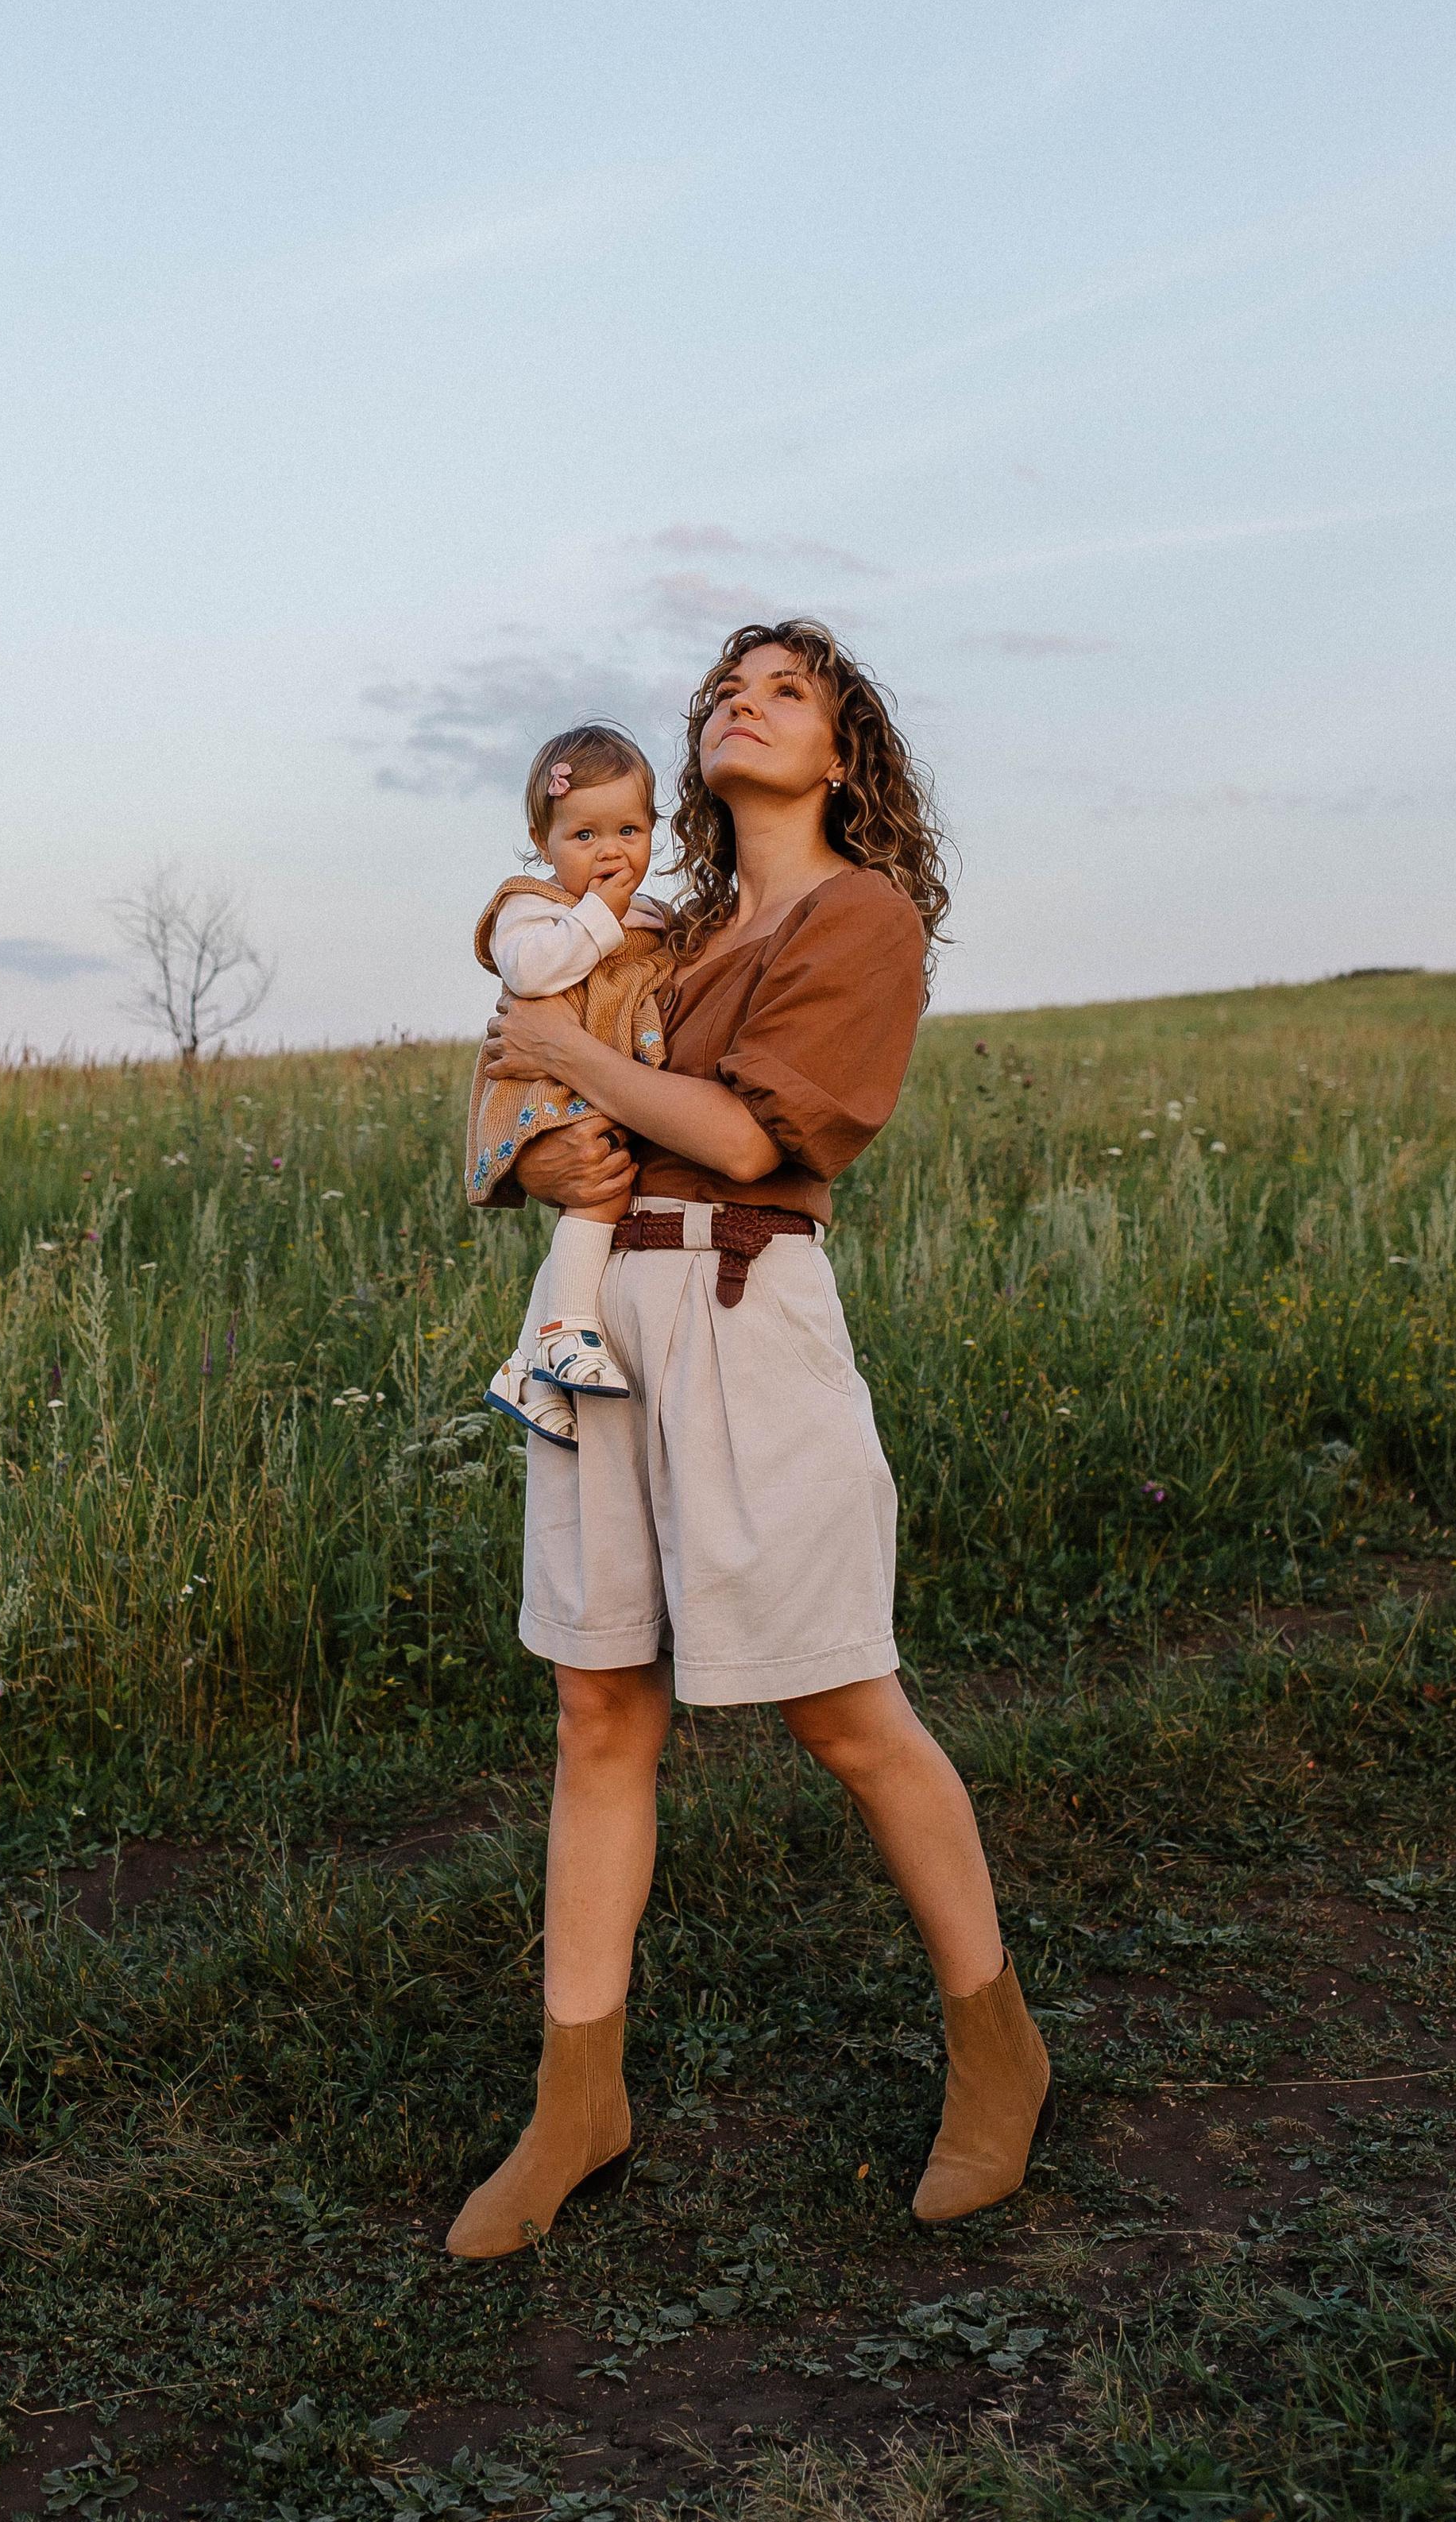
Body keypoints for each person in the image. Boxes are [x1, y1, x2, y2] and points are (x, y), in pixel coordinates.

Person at [445, 621, 1052, 2258]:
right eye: (724, 687)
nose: (740, 704)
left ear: (840, 751)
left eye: (784, 690)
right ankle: (579, 2098)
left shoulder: (859, 919)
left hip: (743, 1311)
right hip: (599, 1324)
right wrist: (536, 1163)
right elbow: (521, 1079)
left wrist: (573, 1065)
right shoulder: (662, 920)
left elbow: (735, 1133)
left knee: (842, 1705)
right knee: (595, 1706)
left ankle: (995, 2044)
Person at [465, 724, 674, 1447]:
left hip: (598, 1082)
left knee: (607, 1187)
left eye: (629, 829)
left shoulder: (651, 918)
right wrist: (600, 916)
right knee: (600, 1190)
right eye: (584, 835)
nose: (610, 851)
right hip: (541, 1087)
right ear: (542, 838)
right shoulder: (530, 905)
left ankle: (524, 1367)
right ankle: (564, 1329)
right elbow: (531, 972)